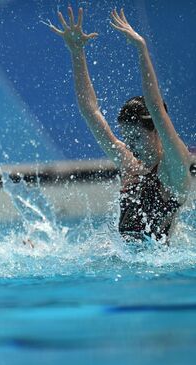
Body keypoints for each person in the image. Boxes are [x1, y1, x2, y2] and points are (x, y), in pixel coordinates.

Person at [48, 7, 191, 242]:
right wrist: (76, 52)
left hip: (158, 269)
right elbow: (90, 111)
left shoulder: (173, 167)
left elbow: (156, 108)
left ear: (155, 131)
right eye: (127, 138)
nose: (129, 146)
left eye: (135, 138)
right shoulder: (129, 163)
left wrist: (141, 49)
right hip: (127, 264)